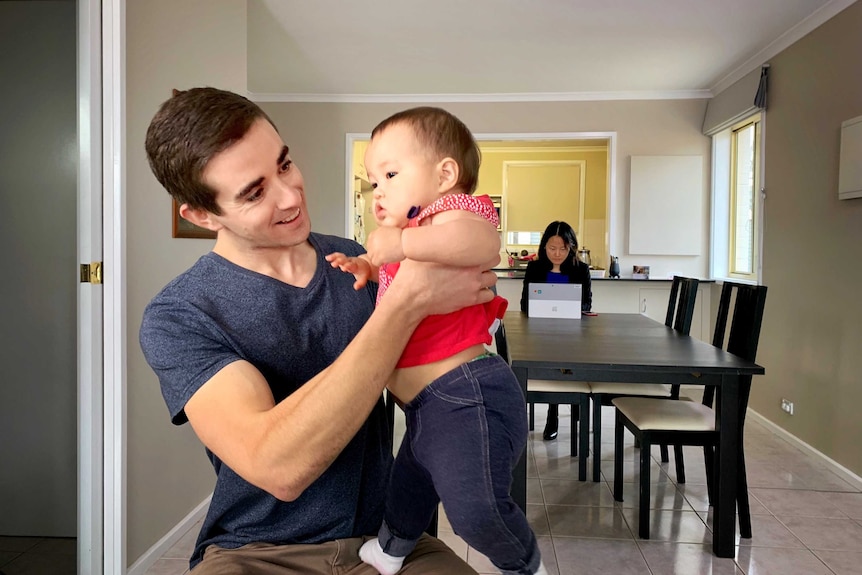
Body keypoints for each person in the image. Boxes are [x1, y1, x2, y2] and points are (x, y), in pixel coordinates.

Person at [139, 88, 500, 574]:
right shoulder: (181, 314)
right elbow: (278, 467)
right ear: (202, 215)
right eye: (254, 191)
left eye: (284, 166)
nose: (291, 195)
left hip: (390, 540)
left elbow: (467, 301)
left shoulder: (359, 263)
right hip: (257, 553)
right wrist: (406, 304)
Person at [327, 107, 546, 575]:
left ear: (446, 174)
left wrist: (399, 246)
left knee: (473, 509)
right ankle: (391, 550)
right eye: (372, 181)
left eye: (389, 173)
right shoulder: (411, 232)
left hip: (467, 392)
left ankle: (523, 563)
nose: (378, 189)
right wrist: (368, 266)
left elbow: (482, 246)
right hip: (425, 405)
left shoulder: (452, 213)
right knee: (408, 486)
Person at [519, 221, 592, 440]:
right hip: (540, 334)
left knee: (566, 357)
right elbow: (525, 304)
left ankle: (572, 405)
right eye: (552, 248)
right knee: (551, 358)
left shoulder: (580, 269)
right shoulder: (534, 268)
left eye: (563, 248)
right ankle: (553, 414)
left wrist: (567, 308)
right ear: (544, 247)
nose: (557, 253)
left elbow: (587, 305)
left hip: (572, 334)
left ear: (571, 248)